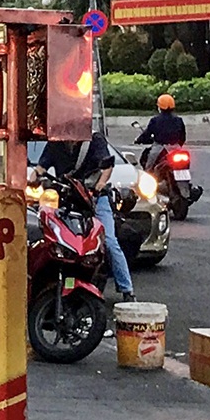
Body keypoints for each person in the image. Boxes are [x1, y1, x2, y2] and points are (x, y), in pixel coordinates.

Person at [39, 129, 133, 301]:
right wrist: (30, 179)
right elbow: (41, 167)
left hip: (96, 198)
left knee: (110, 242)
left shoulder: (95, 139)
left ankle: (127, 289)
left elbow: (107, 166)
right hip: (67, 200)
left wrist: (100, 184)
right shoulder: (55, 143)